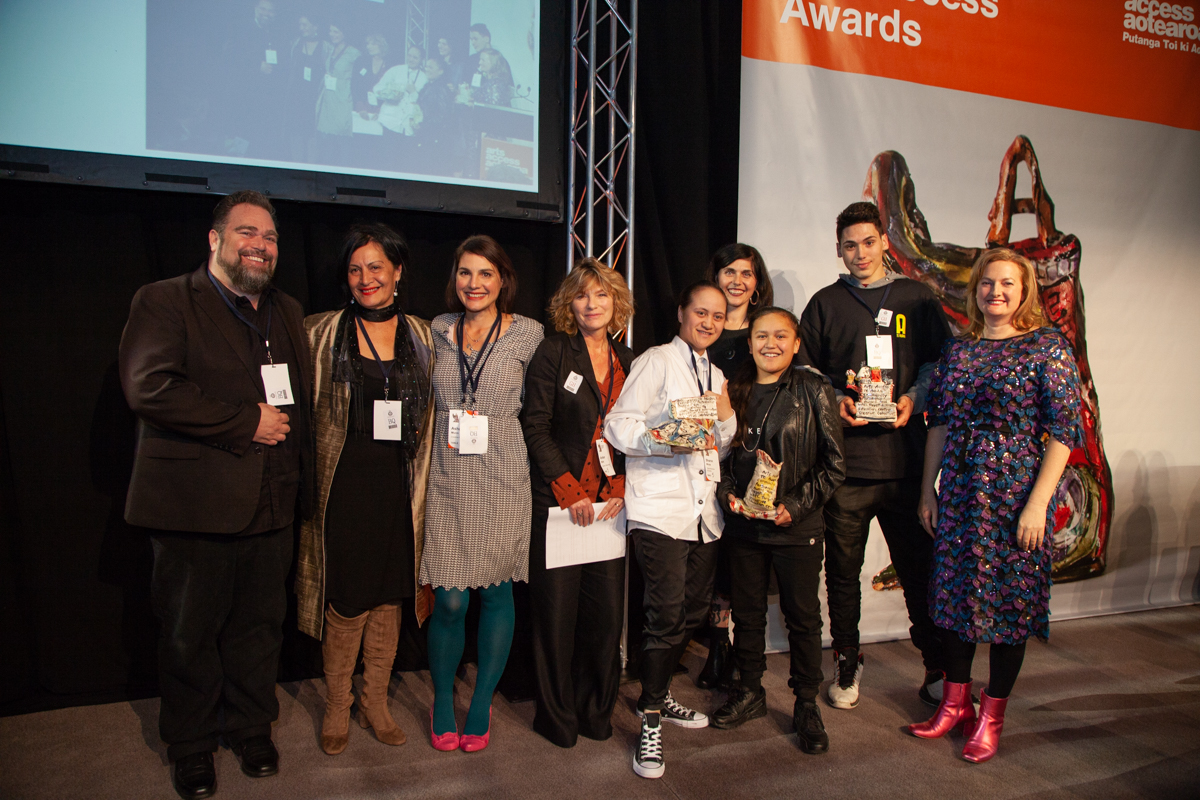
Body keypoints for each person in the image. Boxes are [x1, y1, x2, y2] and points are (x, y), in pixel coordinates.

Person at [119, 191, 312, 799]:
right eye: (247, 232)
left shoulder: (286, 310)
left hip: (273, 501)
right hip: (193, 503)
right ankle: (192, 744)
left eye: (271, 237)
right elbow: (149, 387)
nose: (260, 245)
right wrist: (242, 422)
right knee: (189, 633)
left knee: (260, 626)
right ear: (215, 239)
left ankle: (252, 727)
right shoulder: (165, 300)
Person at [909, 248, 1081, 763]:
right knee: (955, 603)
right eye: (988, 283)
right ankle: (955, 704)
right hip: (961, 496)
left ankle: (992, 715)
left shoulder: (1046, 347)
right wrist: (927, 489)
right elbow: (937, 421)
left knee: (1011, 607)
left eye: (1008, 283)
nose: (996, 292)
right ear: (976, 289)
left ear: (1024, 289)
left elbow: (1064, 433)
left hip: (1017, 498)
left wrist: (1038, 505)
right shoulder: (959, 351)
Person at [797, 201, 950, 711]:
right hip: (846, 469)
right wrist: (836, 402)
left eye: (867, 242)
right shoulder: (824, 303)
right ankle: (847, 660)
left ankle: (935, 663)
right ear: (837, 249)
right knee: (842, 574)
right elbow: (807, 373)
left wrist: (915, 398)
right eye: (848, 245)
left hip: (906, 465)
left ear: (884, 241)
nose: (859, 253)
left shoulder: (918, 299)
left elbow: (938, 364)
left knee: (918, 569)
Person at [295, 224, 436, 756]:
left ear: (397, 272)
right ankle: (337, 703)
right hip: (345, 485)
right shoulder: (320, 331)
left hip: (402, 487)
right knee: (349, 600)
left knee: (388, 599)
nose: (366, 279)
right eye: (355, 269)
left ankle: (374, 700)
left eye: (376, 267)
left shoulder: (423, 335)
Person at [604, 281, 735, 780]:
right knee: (665, 615)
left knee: (694, 611)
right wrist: (664, 441)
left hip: (704, 513)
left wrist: (723, 419)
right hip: (660, 509)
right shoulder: (657, 361)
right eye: (700, 312)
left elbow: (720, 446)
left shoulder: (716, 373)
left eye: (717, 316)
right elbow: (618, 425)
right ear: (681, 312)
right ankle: (651, 722)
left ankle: (655, 695)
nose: (707, 322)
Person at [421, 235, 544, 752]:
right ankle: (443, 700)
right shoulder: (436, 330)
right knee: (448, 601)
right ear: (455, 278)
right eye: (465, 273)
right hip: (447, 475)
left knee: (496, 593)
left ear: (502, 281)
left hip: (503, 474)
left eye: (485, 274)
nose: (474, 283)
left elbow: (542, 407)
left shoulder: (529, 334)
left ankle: (480, 704)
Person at [711, 307, 844, 754]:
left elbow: (833, 465)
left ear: (795, 342)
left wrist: (794, 505)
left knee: (802, 619)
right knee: (746, 614)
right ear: (748, 344)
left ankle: (806, 702)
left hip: (797, 527)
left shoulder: (813, 389)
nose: (770, 344)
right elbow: (724, 455)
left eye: (780, 336)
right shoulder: (736, 390)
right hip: (745, 527)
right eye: (761, 336)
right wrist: (728, 494)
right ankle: (750, 690)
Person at [520, 258, 636, 748]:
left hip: (610, 509)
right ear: (570, 303)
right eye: (583, 295)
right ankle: (557, 717)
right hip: (561, 507)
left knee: (606, 619)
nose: (592, 304)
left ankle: (596, 710)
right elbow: (535, 426)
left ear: (617, 304)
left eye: (603, 295)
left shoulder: (630, 359)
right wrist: (569, 490)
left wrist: (622, 484)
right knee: (556, 619)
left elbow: (638, 434)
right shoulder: (553, 352)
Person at [696, 242, 775, 690]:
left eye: (747, 273)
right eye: (729, 272)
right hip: (709, 458)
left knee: (745, 560)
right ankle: (716, 647)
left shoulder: (764, 331)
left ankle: (744, 656)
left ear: (757, 282)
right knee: (715, 559)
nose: (737, 281)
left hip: (754, 459)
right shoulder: (705, 332)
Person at [315, 20, 360, 164]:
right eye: (330, 31)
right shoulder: (329, 49)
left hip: (343, 98)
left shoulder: (354, 53)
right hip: (328, 98)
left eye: (336, 31)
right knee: (326, 140)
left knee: (342, 138)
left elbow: (359, 79)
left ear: (344, 33)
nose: (332, 35)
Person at [285, 12, 327, 162]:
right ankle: (296, 165)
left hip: (314, 97)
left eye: (305, 24)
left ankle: (310, 168)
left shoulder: (325, 47)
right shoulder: (296, 43)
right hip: (296, 96)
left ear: (315, 26)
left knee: (312, 133)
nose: (301, 28)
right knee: (295, 131)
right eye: (300, 25)